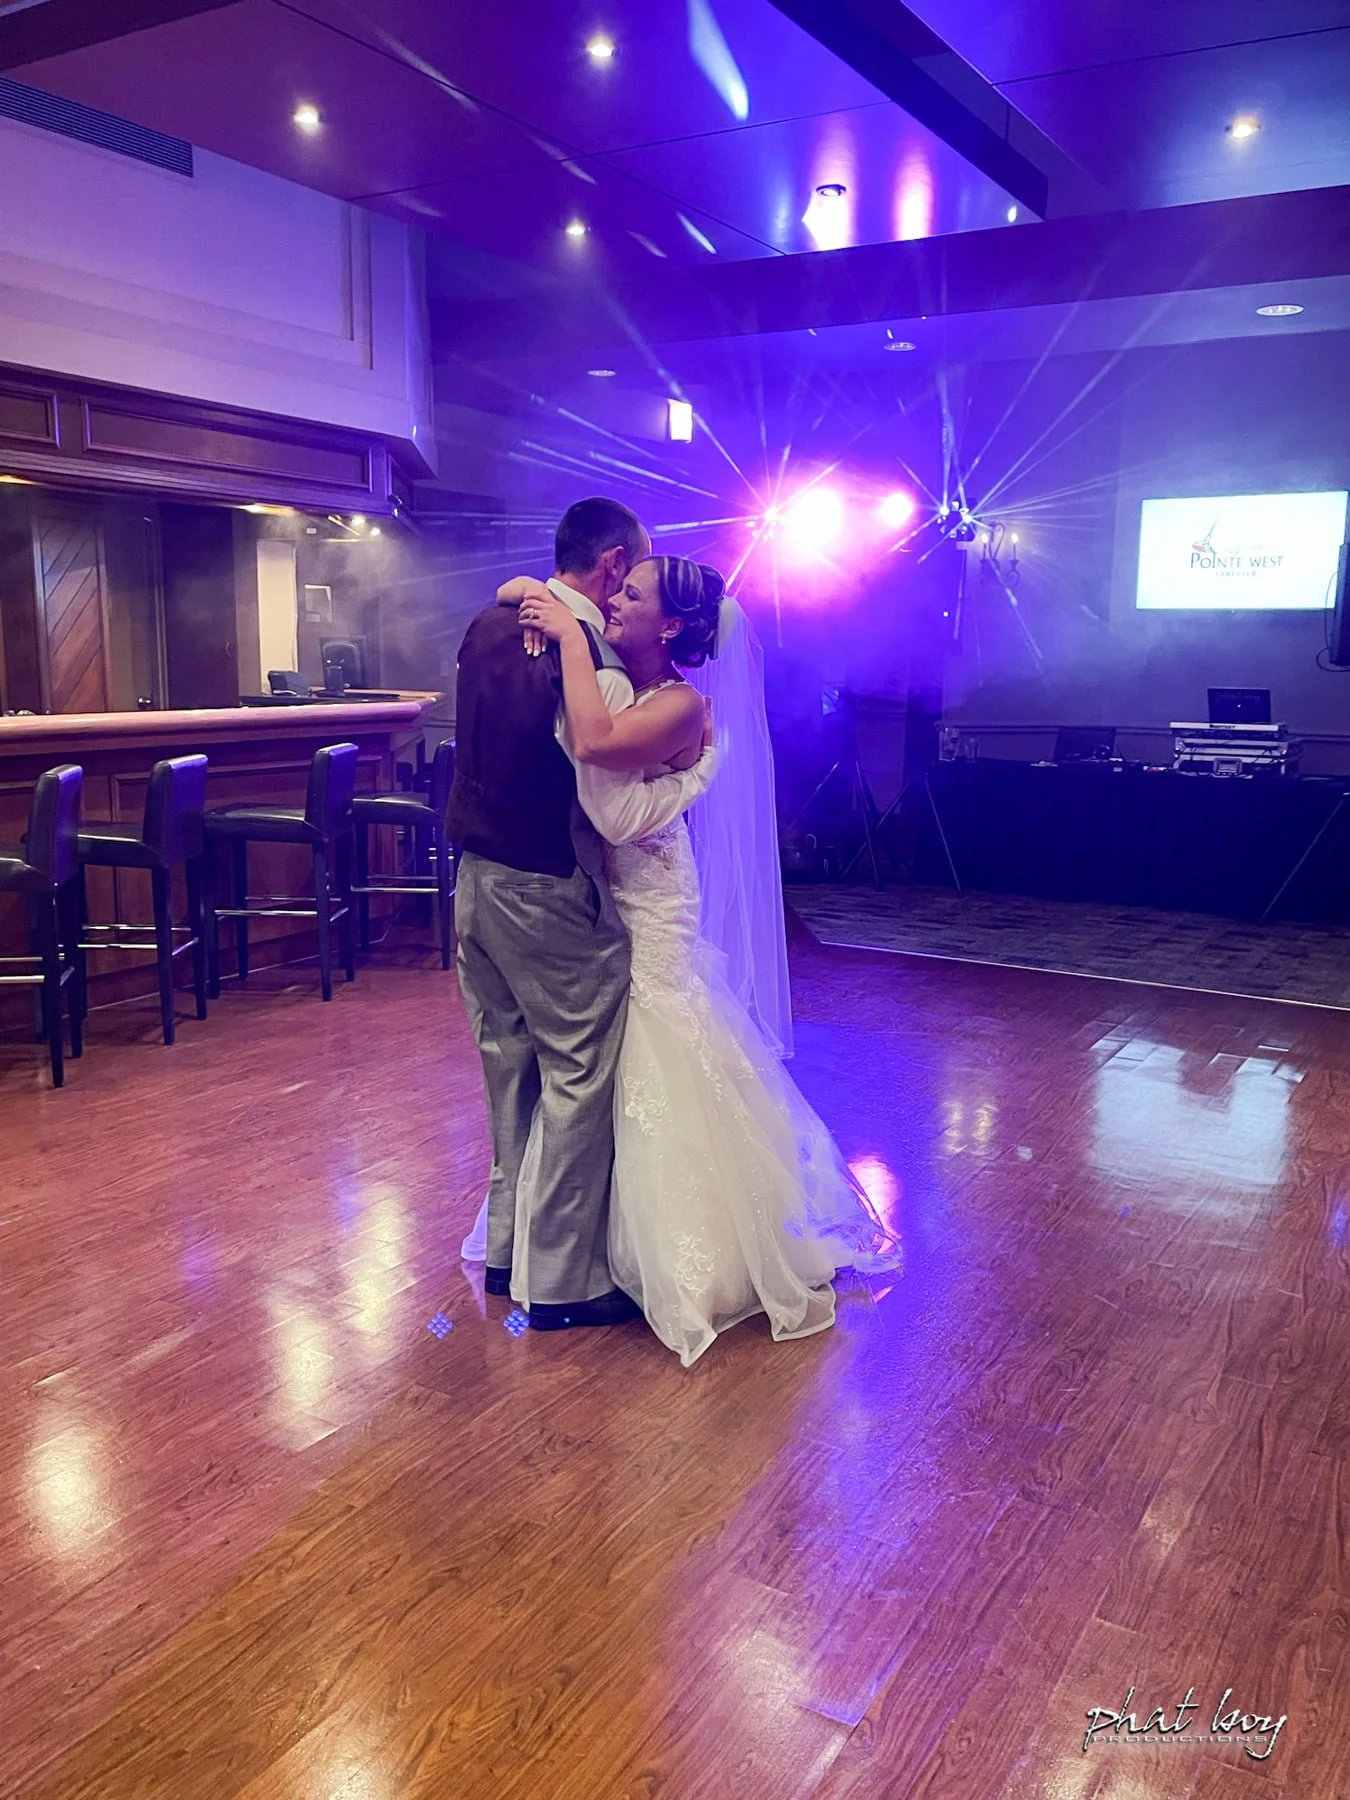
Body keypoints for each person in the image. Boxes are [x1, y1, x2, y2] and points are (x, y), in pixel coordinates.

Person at [483, 553, 899, 1367]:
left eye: (632, 595)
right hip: (614, 894)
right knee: (611, 1057)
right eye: (618, 586)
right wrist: (542, 601)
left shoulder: (680, 704)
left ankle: (683, 1253)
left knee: (656, 1044)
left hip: (655, 896)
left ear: (669, 625)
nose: (615, 600)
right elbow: (512, 590)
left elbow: (600, 752)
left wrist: (567, 632)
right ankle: (590, 1242)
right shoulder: (615, 666)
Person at [446, 498, 716, 1332]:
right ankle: (560, 1281)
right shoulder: (584, 654)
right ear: (608, 569)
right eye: (627, 581)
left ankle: (505, 1252)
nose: (626, 598)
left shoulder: (490, 623)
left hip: (471, 883)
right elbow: (600, 780)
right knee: (577, 1072)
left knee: (509, 1066)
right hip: (544, 886)